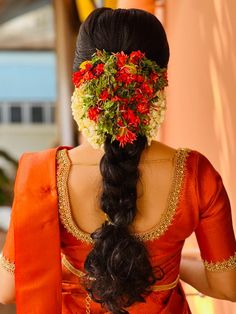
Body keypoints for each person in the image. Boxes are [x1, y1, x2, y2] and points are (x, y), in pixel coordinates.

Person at [0, 7, 235, 314]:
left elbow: (8, 289)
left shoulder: (43, 175)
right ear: (157, 85)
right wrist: (174, 269)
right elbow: (226, 286)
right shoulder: (195, 174)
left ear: (82, 84)